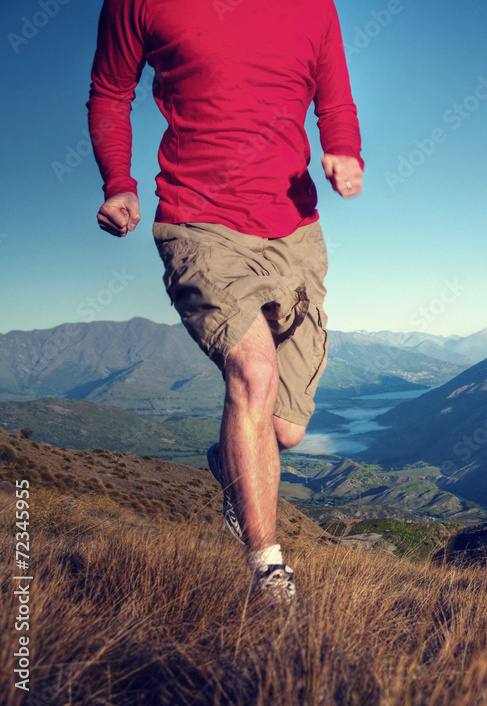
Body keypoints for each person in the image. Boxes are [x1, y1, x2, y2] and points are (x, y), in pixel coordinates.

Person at [87, 0, 363, 603]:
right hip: (199, 223)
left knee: (284, 429)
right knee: (253, 373)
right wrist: (118, 182)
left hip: (294, 230)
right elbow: (110, 92)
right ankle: (268, 572)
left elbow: (334, 99)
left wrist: (344, 148)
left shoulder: (315, 7)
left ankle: (231, 462)